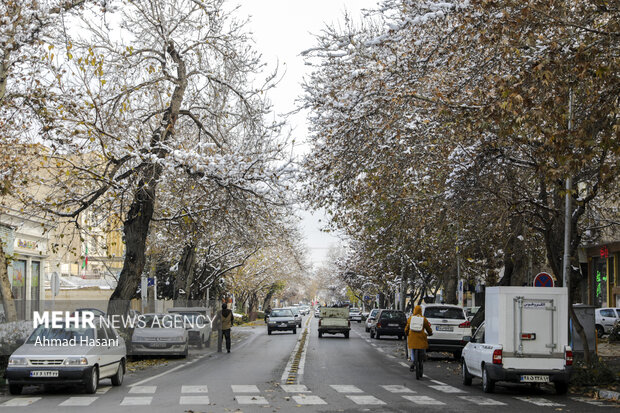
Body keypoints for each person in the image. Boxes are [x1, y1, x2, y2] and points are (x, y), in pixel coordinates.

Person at [404, 305, 433, 371]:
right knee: (422, 348)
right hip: (421, 337)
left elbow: (407, 328)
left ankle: (413, 361)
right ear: (421, 311)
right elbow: (428, 328)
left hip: (412, 338)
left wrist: (406, 333)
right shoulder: (423, 319)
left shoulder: (410, 318)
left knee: (412, 350)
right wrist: (430, 333)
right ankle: (423, 356)